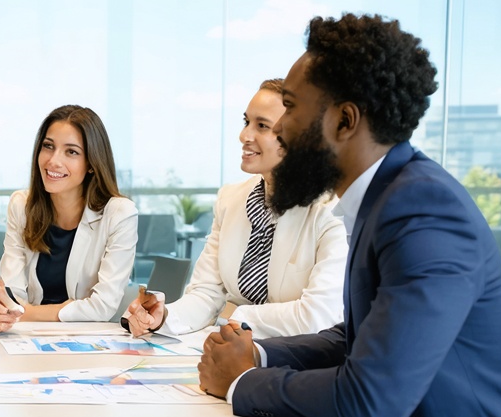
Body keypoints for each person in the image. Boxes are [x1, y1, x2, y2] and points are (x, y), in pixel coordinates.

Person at [199, 13, 501, 417]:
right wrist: (257, 351)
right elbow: (358, 337)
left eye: (292, 109)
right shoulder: (382, 197)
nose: (281, 130)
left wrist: (246, 380)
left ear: (344, 120)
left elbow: (369, 401)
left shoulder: (424, 209)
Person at [123, 79, 346, 339]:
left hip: (303, 362)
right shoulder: (232, 200)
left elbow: (318, 316)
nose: (244, 136)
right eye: (246, 122)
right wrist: (163, 316)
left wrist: (236, 317)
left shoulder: (332, 209)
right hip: (238, 350)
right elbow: (206, 294)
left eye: (262, 125)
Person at [0, 104, 137, 332]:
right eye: (48, 146)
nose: (53, 161)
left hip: (87, 343)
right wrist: (1, 312)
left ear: (92, 165)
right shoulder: (21, 206)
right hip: (28, 338)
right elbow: (10, 296)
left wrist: (27, 312)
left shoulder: (120, 214)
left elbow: (103, 306)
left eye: (71, 152)